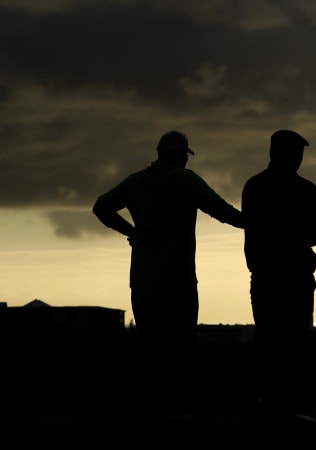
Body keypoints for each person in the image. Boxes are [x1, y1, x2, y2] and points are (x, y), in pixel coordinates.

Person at [92, 130, 244, 421]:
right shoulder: (185, 180)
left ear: (158, 153)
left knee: (151, 349)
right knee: (180, 349)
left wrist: (131, 231)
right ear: (182, 156)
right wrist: (264, 223)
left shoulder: (137, 181)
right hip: (179, 279)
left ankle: (153, 411)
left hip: (144, 280)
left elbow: (101, 207)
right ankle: (176, 410)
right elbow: (224, 212)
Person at [242, 129, 316, 423]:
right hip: (291, 274)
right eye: (296, 153)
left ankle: (274, 406)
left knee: (272, 341)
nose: (299, 159)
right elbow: (314, 235)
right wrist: (298, 244)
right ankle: (282, 408)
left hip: (267, 274)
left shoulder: (253, 186)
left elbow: (255, 230)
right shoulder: (306, 190)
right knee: (290, 342)